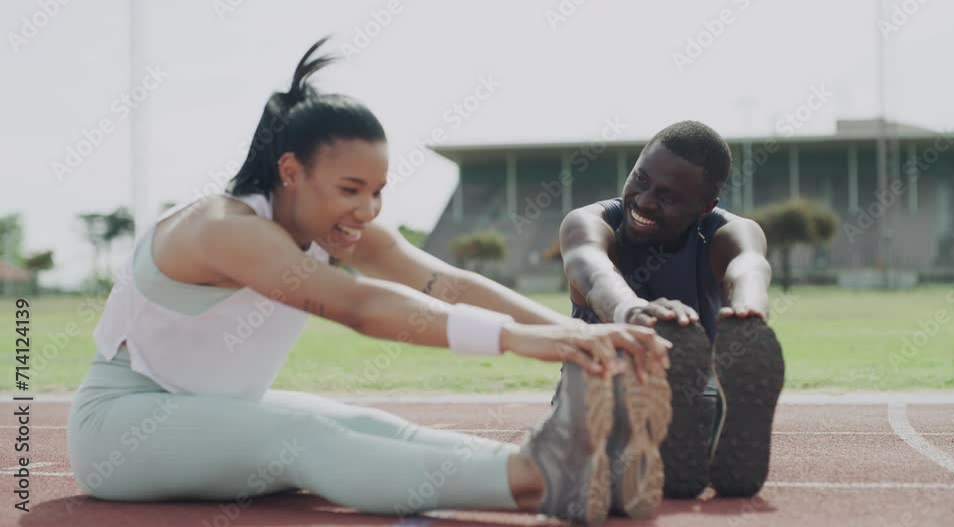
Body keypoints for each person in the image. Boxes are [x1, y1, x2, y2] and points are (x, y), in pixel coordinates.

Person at [66, 38, 672, 525]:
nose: (367, 210)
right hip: (123, 427)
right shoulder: (223, 229)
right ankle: (536, 482)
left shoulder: (334, 225)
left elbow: (443, 281)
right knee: (302, 435)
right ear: (290, 172)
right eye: (350, 190)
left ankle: (578, 468)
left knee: (370, 427)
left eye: (378, 191)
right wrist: (514, 338)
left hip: (211, 412)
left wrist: (575, 333)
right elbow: (356, 305)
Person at [555, 120, 785, 499]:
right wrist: (633, 312)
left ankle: (677, 441)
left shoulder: (726, 232)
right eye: (640, 180)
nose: (644, 201)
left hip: (688, 401)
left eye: (668, 196)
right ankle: (667, 444)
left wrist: (749, 315)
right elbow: (592, 271)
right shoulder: (589, 223)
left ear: (706, 205)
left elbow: (749, 267)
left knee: (634, 443)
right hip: (598, 390)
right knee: (600, 428)